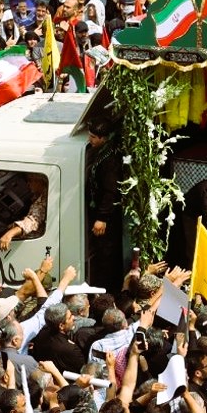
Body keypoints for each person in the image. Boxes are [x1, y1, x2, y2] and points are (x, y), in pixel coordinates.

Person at [84, 118, 123, 288]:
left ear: (103, 138)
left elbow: (110, 191)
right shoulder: (103, 151)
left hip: (107, 215)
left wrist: (102, 218)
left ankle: (107, 287)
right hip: (99, 208)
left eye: (93, 137)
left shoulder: (110, 160)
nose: (89, 140)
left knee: (105, 253)